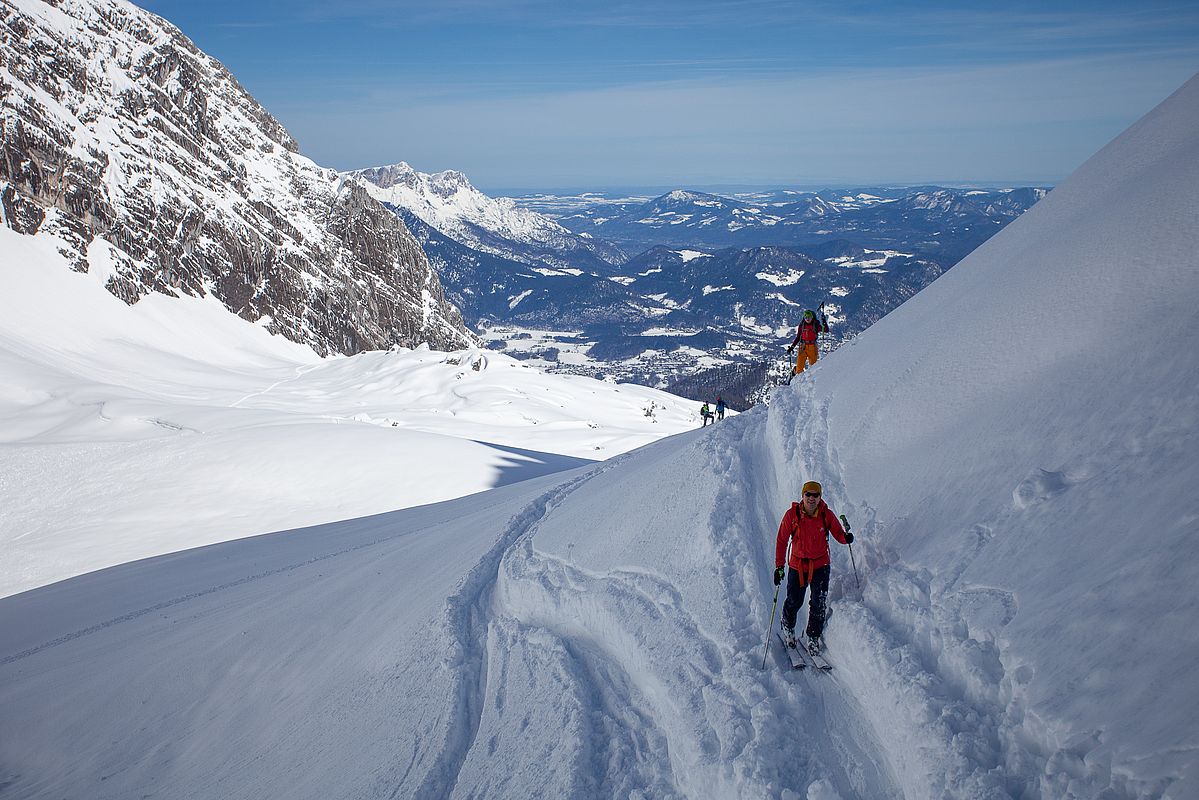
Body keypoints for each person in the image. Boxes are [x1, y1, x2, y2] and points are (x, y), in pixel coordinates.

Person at [772, 480, 853, 655]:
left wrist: (845, 539)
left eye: (815, 495)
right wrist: (779, 567)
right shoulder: (791, 516)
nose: (811, 498)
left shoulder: (826, 515)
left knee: (819, 603)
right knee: (795, 601)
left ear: (820, 497)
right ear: (802, 496)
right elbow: (781, 540)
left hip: (821, 565)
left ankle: (813, 637)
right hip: (797, 566)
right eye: (808, 494)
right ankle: (788, 625)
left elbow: (838, 533)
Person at [786, 309, 828, 377]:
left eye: (809, 317)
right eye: (806, 317)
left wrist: (824, 321)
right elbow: (798, 337)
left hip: (812, 347)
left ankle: (810, 382)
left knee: (813, 367)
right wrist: (792, 347)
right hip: (803, 347)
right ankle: (796, 373)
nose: (807, 319)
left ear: (812, 317)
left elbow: (826, 330)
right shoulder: (802, 326)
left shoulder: (816, 325)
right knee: (799, 369)